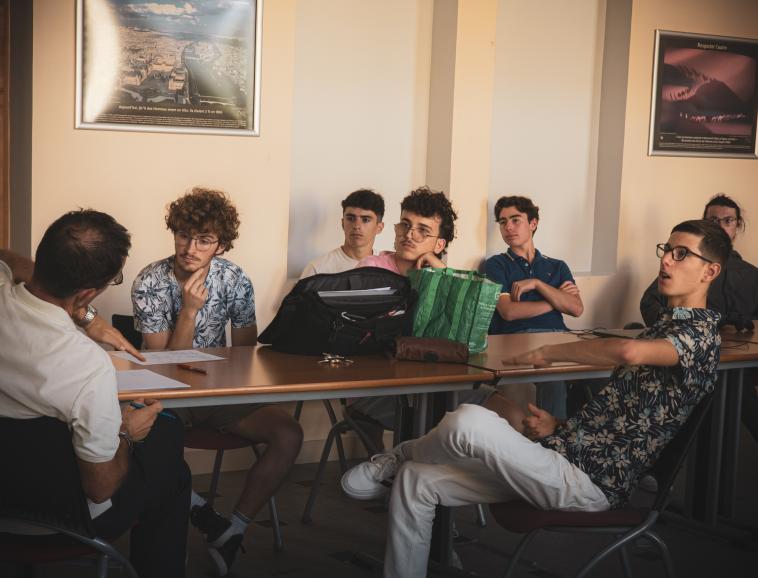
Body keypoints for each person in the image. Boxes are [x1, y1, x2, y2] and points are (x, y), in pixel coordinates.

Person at [342, 219, 729, 578]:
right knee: (416, 481)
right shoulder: (662, 328)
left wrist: (549, 352)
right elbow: (629, 421)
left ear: (709, 271)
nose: (666, 259)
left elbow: (628, 352)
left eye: (681, 254)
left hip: (590, 484)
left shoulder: (699, 336)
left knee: (468, 420)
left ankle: (398, 455)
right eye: (667, 249)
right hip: (559, 457)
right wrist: (558, 425)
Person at [0, 210, 191, 578]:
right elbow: (101, 488)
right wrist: (126, 433)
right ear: (88, 293)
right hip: (59, 521)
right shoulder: (87, 366)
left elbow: (5, 256)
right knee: (171, 463)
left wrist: (85, 316)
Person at [131, 187, 303, 576]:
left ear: (221, 245)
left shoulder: (235, 279)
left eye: (204, 240)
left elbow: (245, 352)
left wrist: (223, 379)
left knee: (288, 433)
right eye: (183, 235)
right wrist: (189, 312)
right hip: (167, 394)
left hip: (218, 392)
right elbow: (163, 363)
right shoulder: (150, 280)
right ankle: (202, 514)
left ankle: (233, 530)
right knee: (152, 446)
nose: (190, 248)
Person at [351, 187, 494, 445]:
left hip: (435, 385)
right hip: (380, 387)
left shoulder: (441, 278)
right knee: (435, 418)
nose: (409, 234)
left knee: (500, 405)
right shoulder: (372, 270)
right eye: (405, 225)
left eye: (423, 230)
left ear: (439, 245)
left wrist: (438, 269)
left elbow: (468, 336)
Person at [641, 194, 758, 443]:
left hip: (740, 367)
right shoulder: (683, 268)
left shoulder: (752, 275)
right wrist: (693, 322)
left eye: (727, 220)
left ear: (737, 225)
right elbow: (651, 304)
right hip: (685, 362)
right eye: (713, 220)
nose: (720, 225)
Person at [484, 195, 583, 419]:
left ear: (533, 223)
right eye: (502, 222)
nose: (508, 227)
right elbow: (509, 312)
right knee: (552, 378)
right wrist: (556, 301)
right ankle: (553, 439)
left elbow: (576, 308)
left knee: (607, 370)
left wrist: (537, 284)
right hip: (519, 339)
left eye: (515, 220)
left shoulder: (557, 266)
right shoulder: (496, 265)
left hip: (561, 337)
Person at [300, 188, 385, 277]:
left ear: (379, 228)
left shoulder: (387, 268)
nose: (356, 226)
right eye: (350, 218)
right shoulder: (317, 269)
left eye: (365, 220)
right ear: (343, 223)